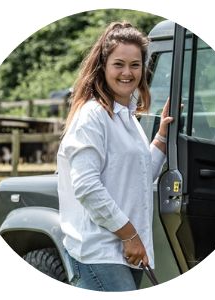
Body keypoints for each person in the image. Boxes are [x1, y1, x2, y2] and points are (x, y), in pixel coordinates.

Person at [56, 21, 173, 292]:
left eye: (135, 65)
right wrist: (129, 234)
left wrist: (162, 136)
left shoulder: (127, 118)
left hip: (125, 253)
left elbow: (141, 176)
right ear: (103, 66)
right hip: (100, 252)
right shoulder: (93, 115)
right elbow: (86, 186)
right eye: (118, 64)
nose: (127, 72)